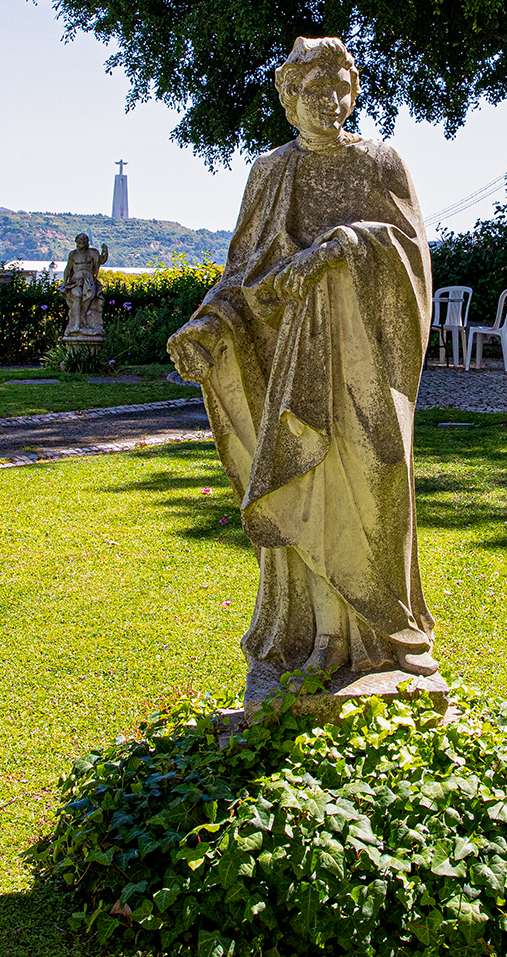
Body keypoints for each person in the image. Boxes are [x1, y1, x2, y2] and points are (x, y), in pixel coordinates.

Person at [168, 36, 437, 698]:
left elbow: (413, 261)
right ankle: (327, 639)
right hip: (292, 366)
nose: (331, 103)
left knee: (378, 484)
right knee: (309, 486)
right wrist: (206, 326)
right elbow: (245, 274)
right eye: (314, 91)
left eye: (342, 89)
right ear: (289, 99)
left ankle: (389, 634)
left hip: (366, 366)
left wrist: (342, 245)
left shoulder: (381, 163)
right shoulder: (271, 172)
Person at [61, 234, 108, 338]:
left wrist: (105, 251)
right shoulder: (73, 254)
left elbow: (101, 261)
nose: (78, 245)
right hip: (75, 281)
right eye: (77, 243)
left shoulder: (92, 253)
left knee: (89, 296)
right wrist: (64, 282)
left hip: (88, 281)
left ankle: (82, 318)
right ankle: (76, 324)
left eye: (80, 243)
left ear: (86, 243)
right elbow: (68, 269)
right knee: (77, 295)